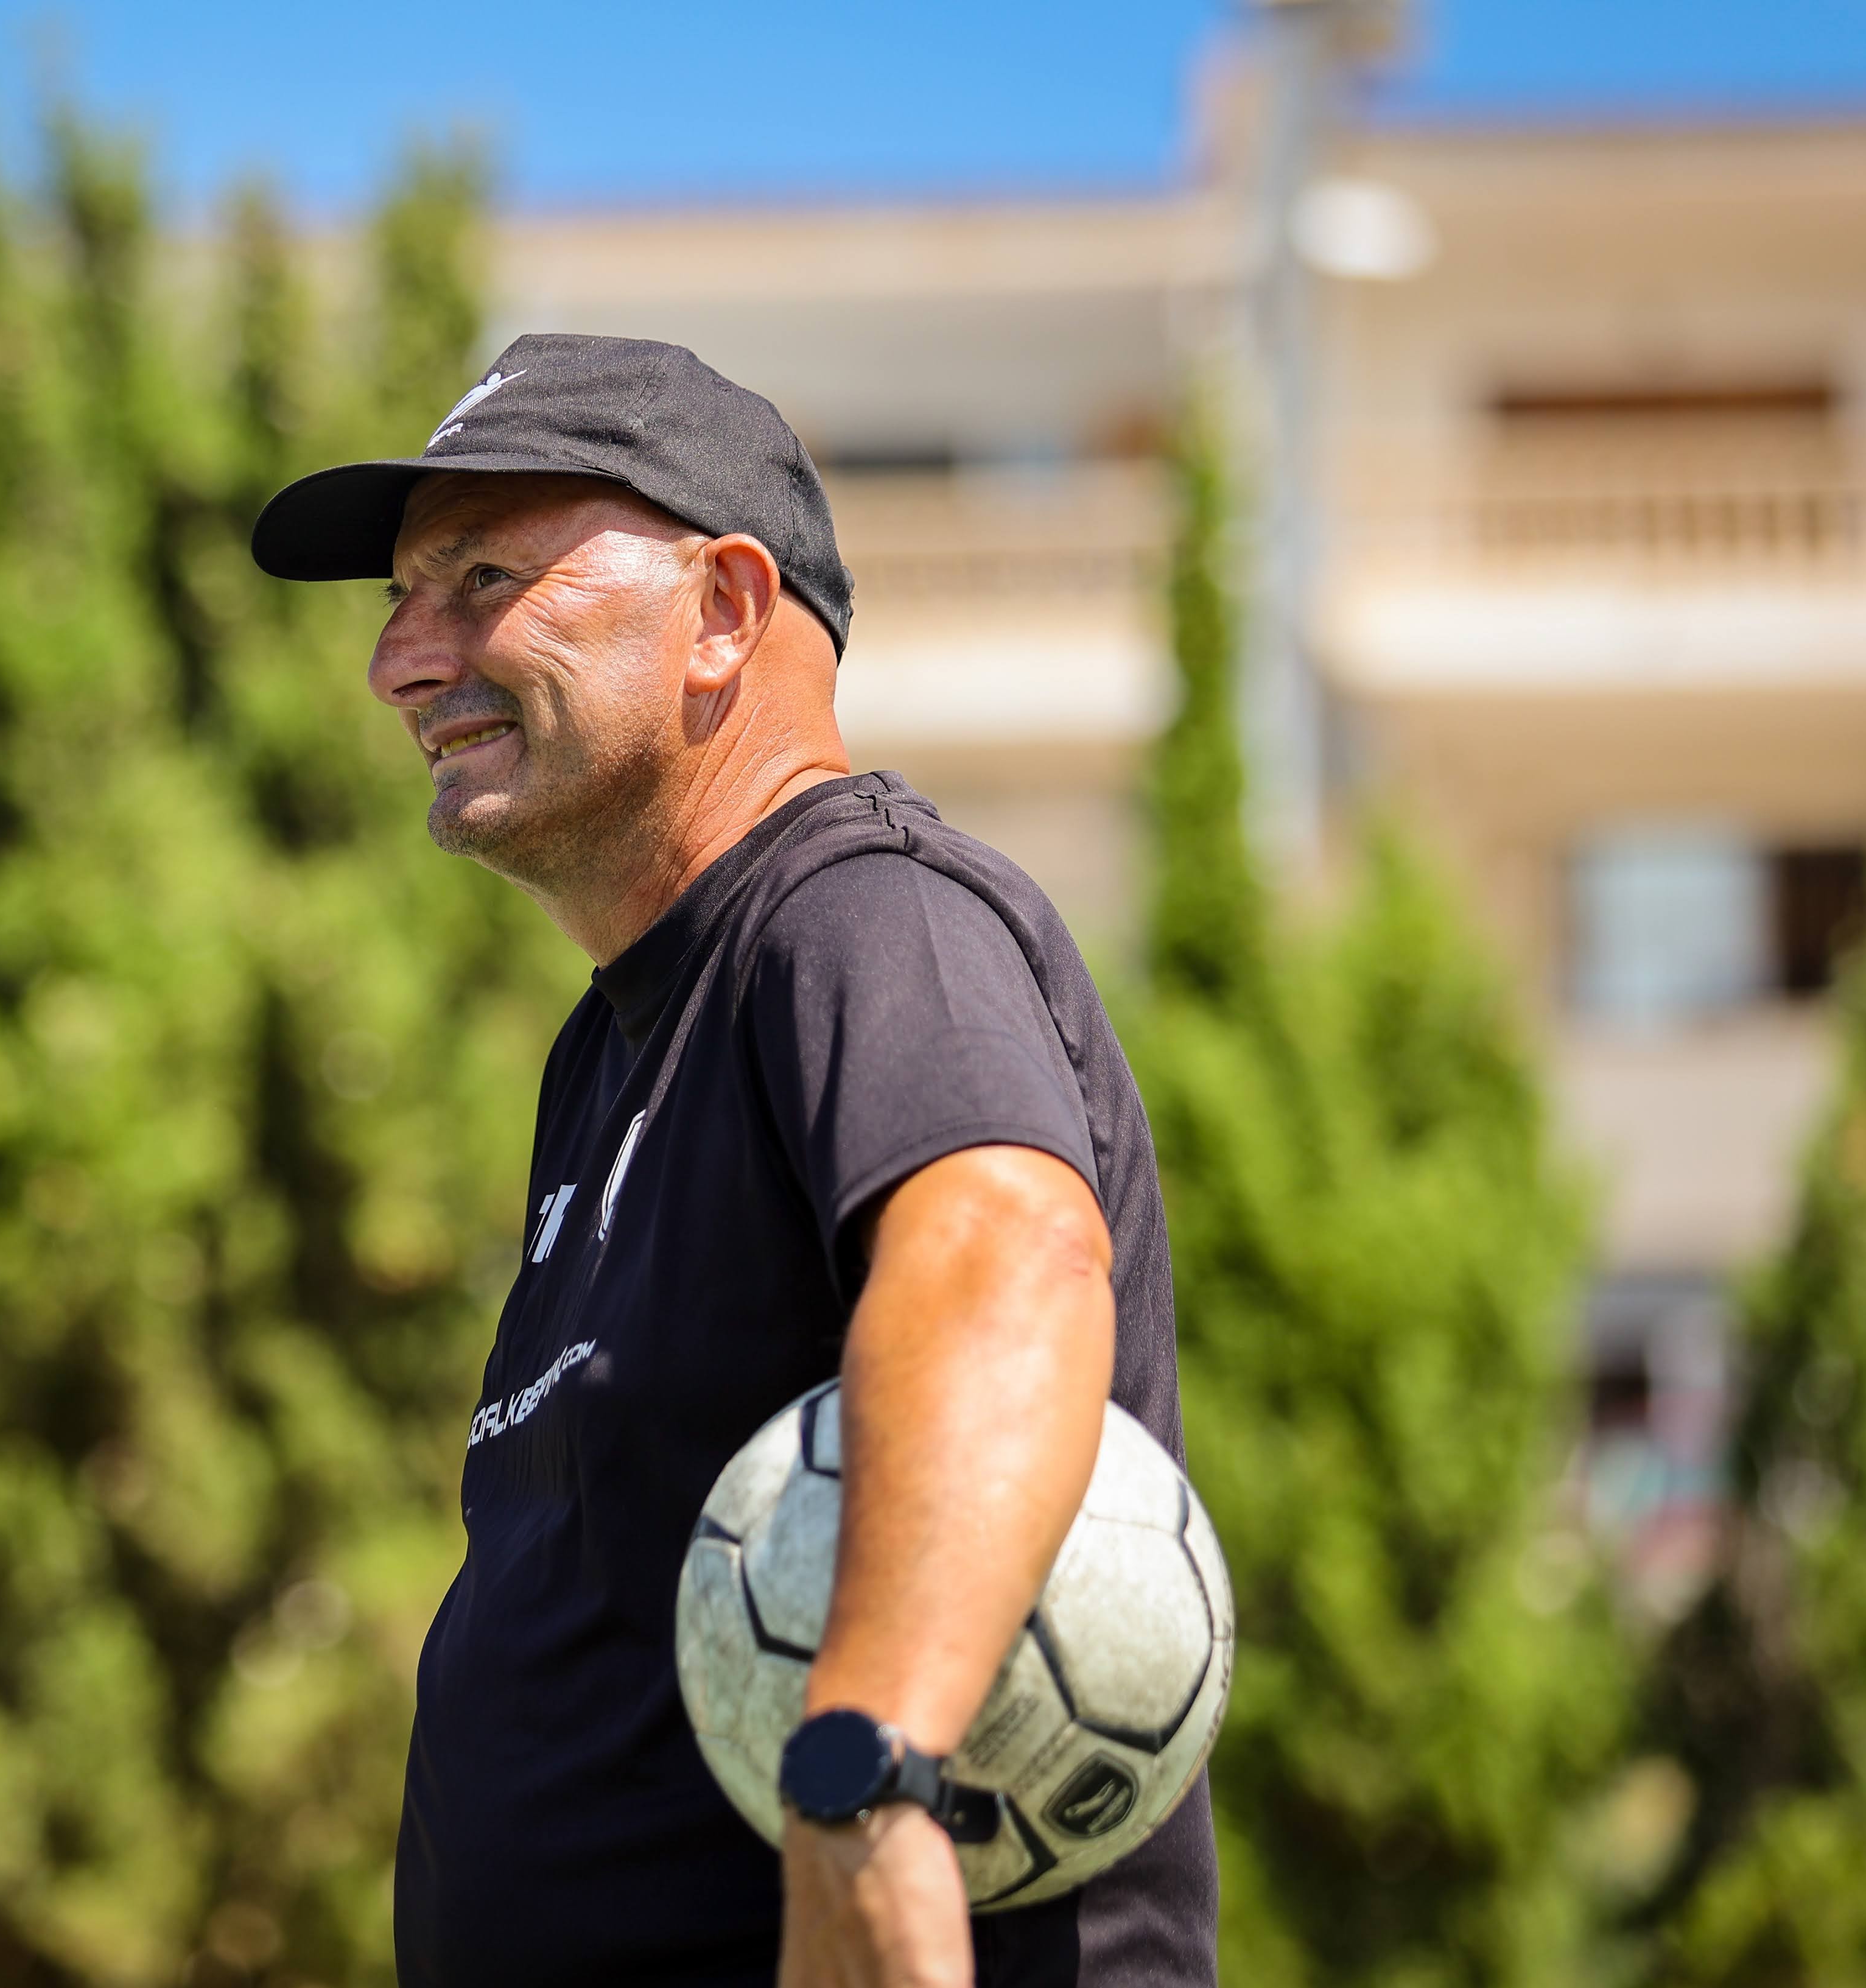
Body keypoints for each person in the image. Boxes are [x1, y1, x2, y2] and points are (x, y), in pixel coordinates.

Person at [250, 334, 1215, 1987]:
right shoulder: (615, 1043)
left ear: (720, 612)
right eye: (400, 600)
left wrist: (867, 1777)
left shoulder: (863, 915)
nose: (401, 661)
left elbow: (1004, 1258)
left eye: (480, 576)